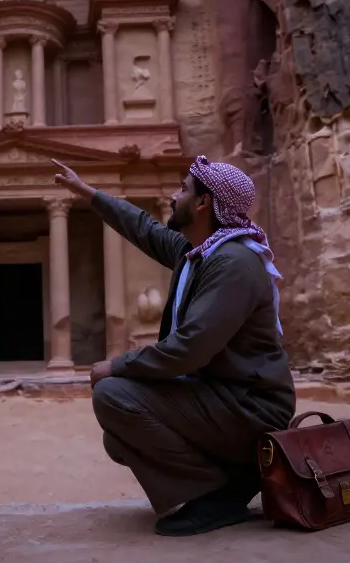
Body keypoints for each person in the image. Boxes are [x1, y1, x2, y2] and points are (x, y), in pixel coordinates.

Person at [51, 156, 295, 537]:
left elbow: (189, 349)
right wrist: (87, 192)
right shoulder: (198, 253)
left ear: (203, 203)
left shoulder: (233, 263)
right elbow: (143, 228)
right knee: (119, 437)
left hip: (251, 407)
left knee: (115, 396)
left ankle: (215, 496)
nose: (173, 194)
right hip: (221, 397)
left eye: (183, 189)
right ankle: (229, 479)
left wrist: (117, 365)